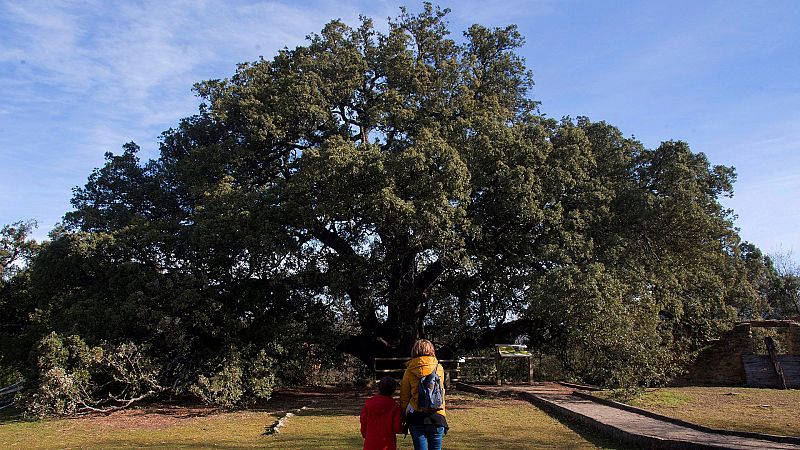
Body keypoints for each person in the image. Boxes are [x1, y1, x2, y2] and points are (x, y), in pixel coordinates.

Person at [400, 339, 448, 450]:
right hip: (437, 415)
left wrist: (403, 416)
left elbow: (405, 396)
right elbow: (441, 391)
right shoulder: (438, 368)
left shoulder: (409, 370)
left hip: (416, 416)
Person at [360, 376, 403, 450]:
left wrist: (365, 434)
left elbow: (363, 421)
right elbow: (397, 428)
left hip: (371, 441)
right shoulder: (394, 406)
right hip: (387, 443)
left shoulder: (369, 403)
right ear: (393, 390)